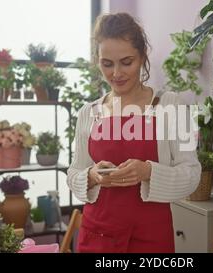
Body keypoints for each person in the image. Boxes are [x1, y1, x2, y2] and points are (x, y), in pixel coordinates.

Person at [67, 12, 201, 253]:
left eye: (126, 62)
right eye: (107, 64)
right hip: (97, 234)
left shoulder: (172, 105)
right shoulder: (88, 113)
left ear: (142, 57)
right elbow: (74, 172)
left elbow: (191, 175)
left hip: (151, 237)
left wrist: (148, 171)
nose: (116, 73)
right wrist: (91, 175)